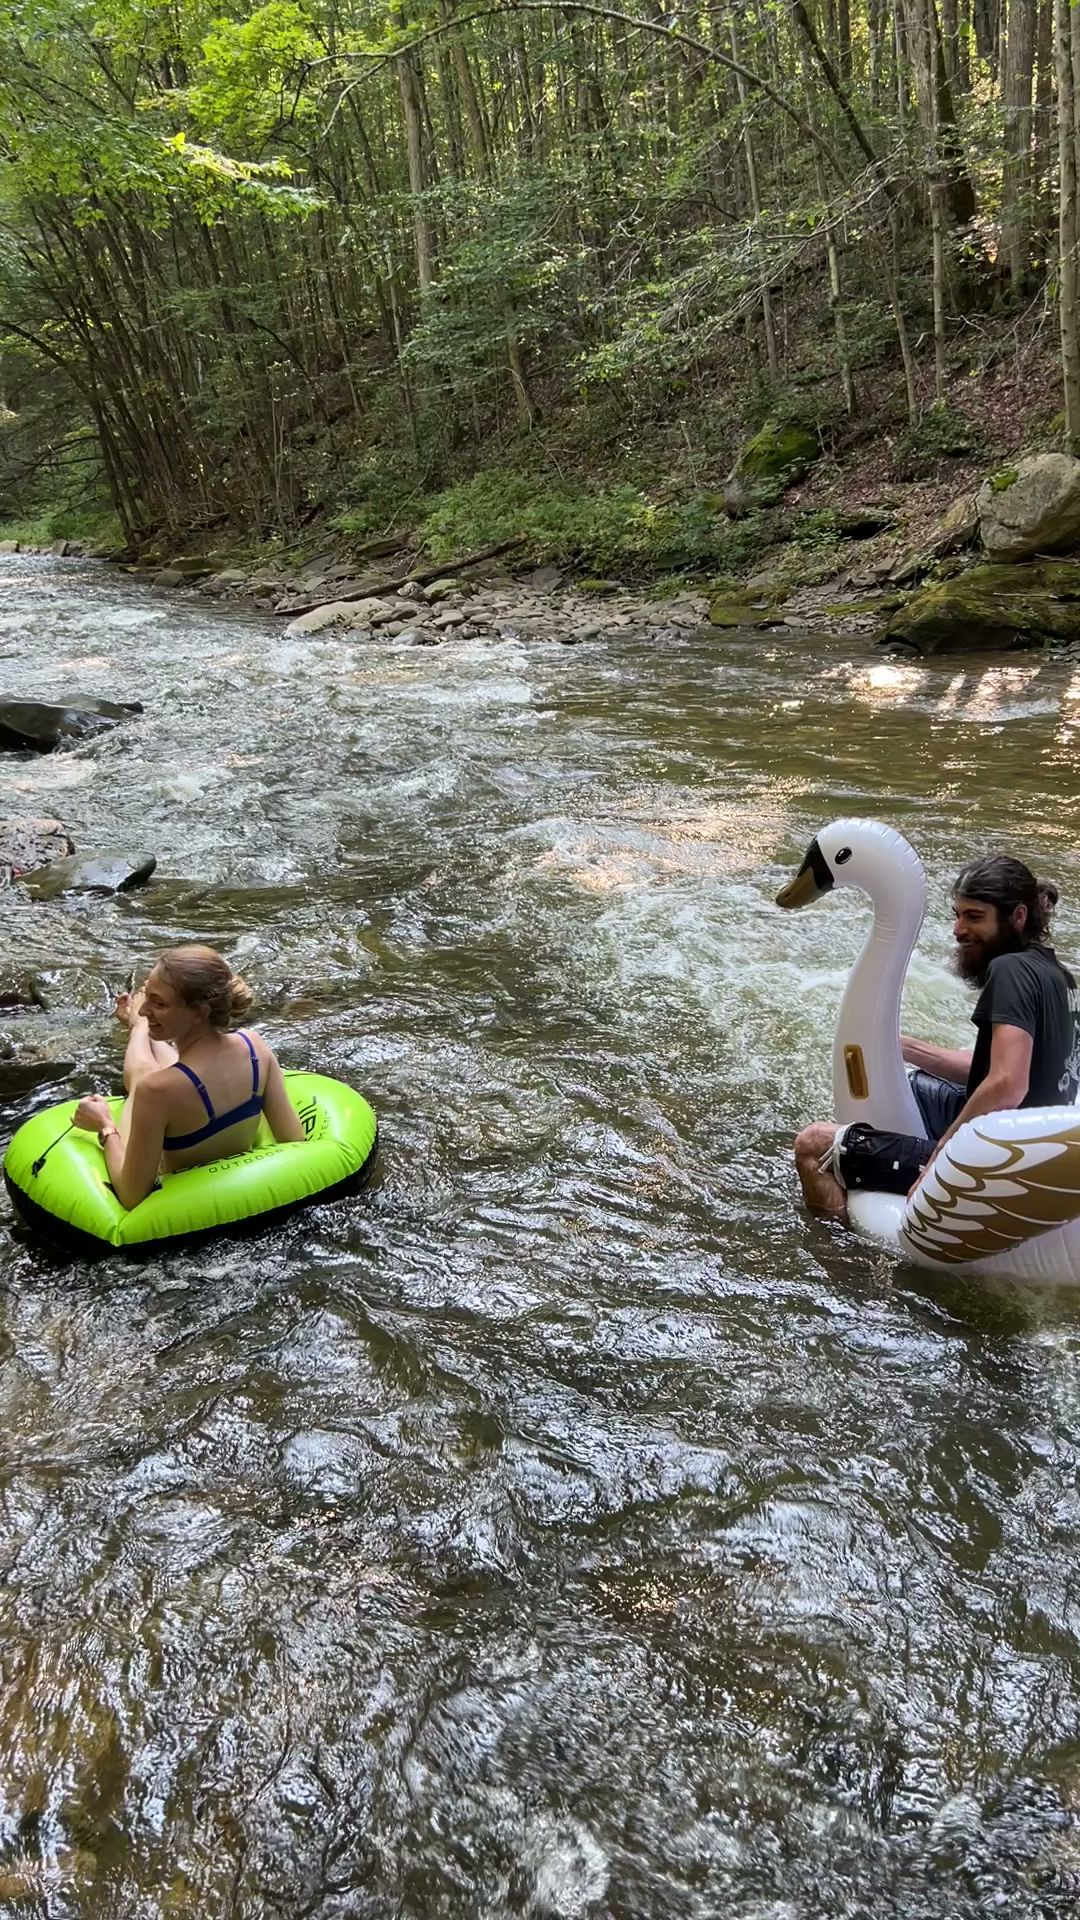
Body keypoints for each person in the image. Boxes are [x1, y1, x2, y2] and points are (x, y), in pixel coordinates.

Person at [794, 855, 1080, 1224]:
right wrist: (903, 1047)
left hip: (999, 1164)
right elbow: (995, 1066)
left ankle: (842, 1261)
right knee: (910, 1086)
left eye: (974, 917)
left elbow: (1008, 1083)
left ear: (1018, 917)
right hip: (1029, 1148)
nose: (958, 930)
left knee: (813, 1146)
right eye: (957, 915)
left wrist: (942, 1155)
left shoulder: (1008, 970)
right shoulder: (1056, 975)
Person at [72, 944, 305, 1210]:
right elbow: (294, 1142)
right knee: (166, 1075)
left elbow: (131, 1196)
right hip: (221, 1138)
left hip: (181, 1194)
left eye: (158, 1003)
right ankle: (138, 1030)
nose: (144, 1008)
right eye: (146, 996)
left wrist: (104, 1127)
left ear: (200, 1012)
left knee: (142, 1077)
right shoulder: (255, 1047)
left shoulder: (157, 1091)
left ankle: (137, 1030)